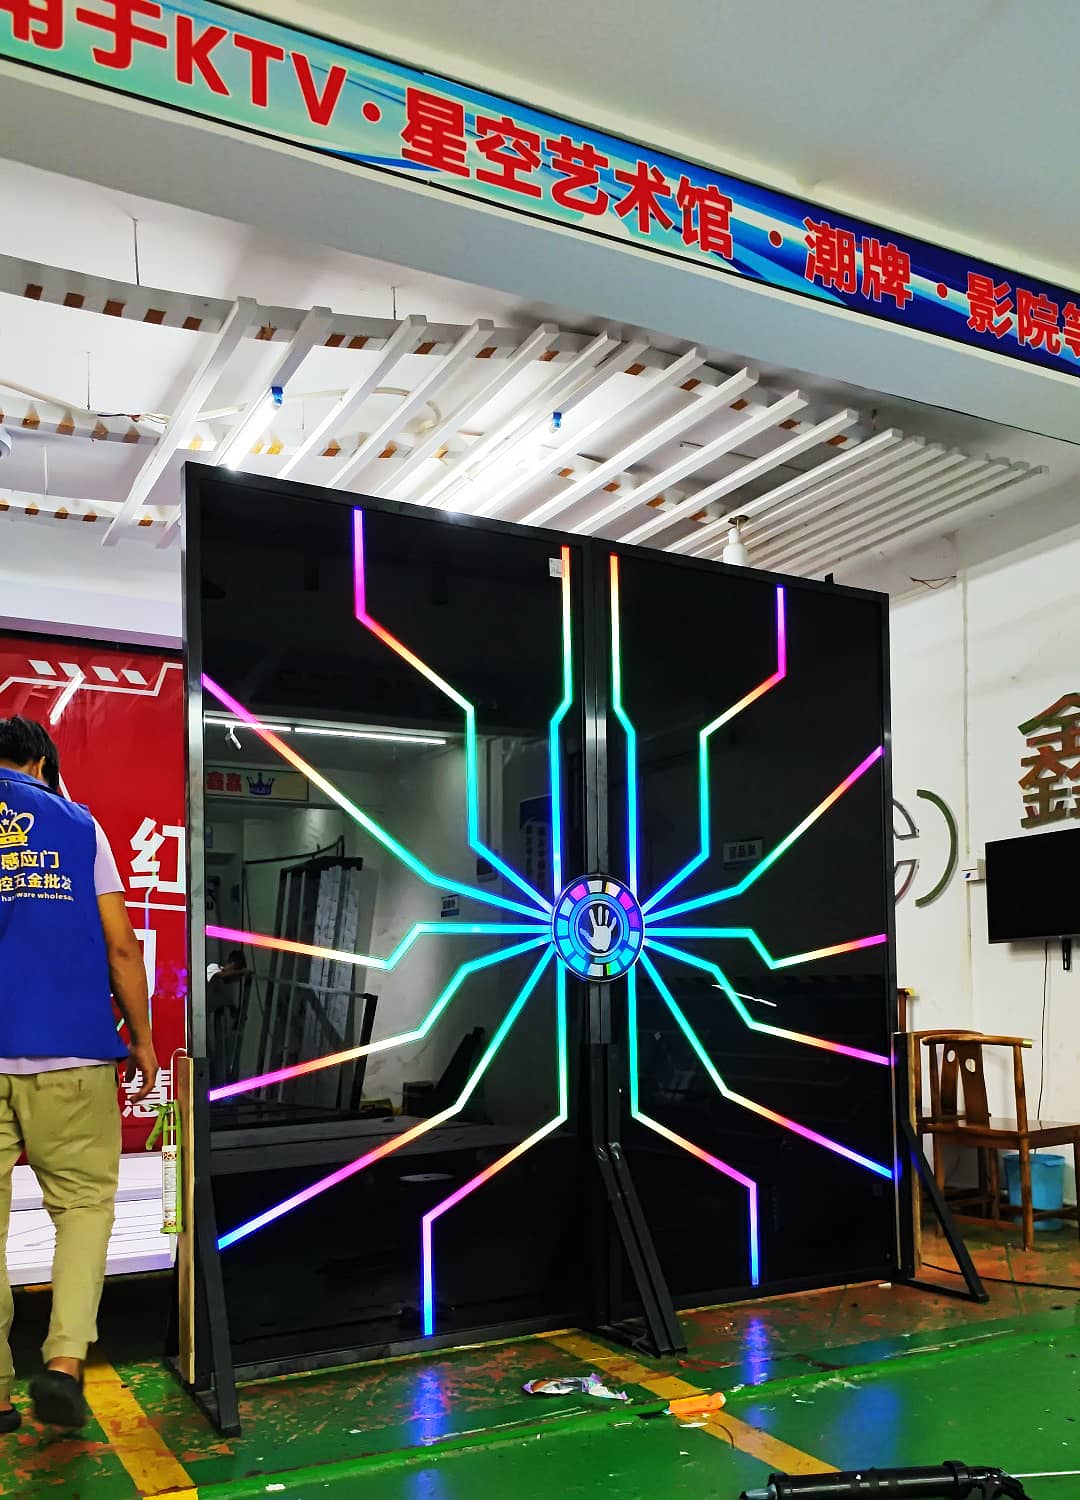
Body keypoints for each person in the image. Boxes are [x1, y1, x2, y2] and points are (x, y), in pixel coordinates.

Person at [0, 716, 158, 1431]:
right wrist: (144, 1041)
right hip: (72, 1054)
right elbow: (121, 948)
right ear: (42, 763)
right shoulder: (79, 825)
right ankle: (63, 1363)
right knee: (84, 1207)